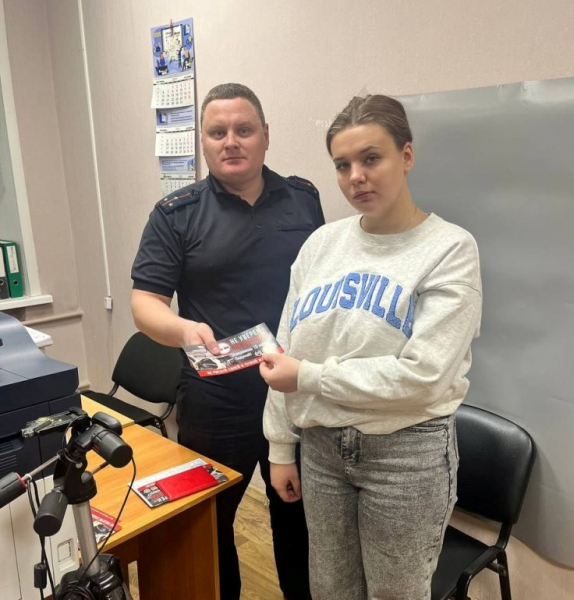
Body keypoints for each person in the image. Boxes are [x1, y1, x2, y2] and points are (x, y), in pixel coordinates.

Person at [261, 94, 482, 600]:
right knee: (330, 589)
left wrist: (310, 377)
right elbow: (284, 351)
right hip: (321, 449)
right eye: (343, 165)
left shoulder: (450, 249)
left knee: (395, 594)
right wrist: (280, 446)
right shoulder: (321, 245)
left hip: (404, 455)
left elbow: (423, 375)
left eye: (371, 158)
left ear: (406, 155)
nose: (356, 176)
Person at [131, 83, 324, 600]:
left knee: (300, 521)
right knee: (211, 525)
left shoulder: (303, 199)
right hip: (217, 399)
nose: (231, 141)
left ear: (266, 136)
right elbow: (145, 303)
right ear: (203, 141)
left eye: (244, 130)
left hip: (293, 392)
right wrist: (183, 330)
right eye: (217, 132)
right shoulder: (176, 213)